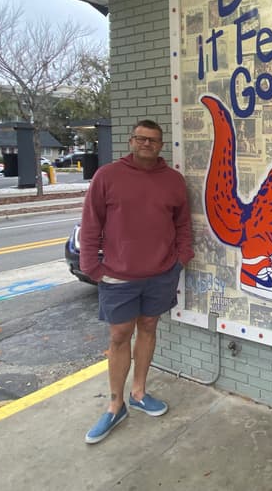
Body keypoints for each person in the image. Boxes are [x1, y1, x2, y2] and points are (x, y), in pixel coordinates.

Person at [80, 120, 194, 444]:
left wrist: (181, 258)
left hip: (160, 274)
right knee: (119, 336)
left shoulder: (173, 181)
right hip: (118, 275)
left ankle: (139, 393)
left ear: (161, 145)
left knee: (148, 327)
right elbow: (91, 224)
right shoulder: (108, 176)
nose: (147, 144)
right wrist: (91, 265)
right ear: (131, 141)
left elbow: (182, 224)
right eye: (141, 138)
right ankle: (115, 404)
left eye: (154, 140)